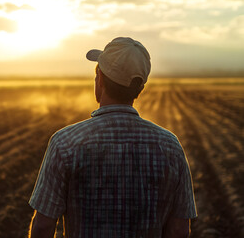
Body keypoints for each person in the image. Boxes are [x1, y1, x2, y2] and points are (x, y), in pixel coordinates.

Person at [28, 37, 197, 238]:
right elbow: (179, 230)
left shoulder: (65, 143)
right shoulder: (171, 146)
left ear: (100, 78)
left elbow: (43, 227)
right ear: (140, 89)